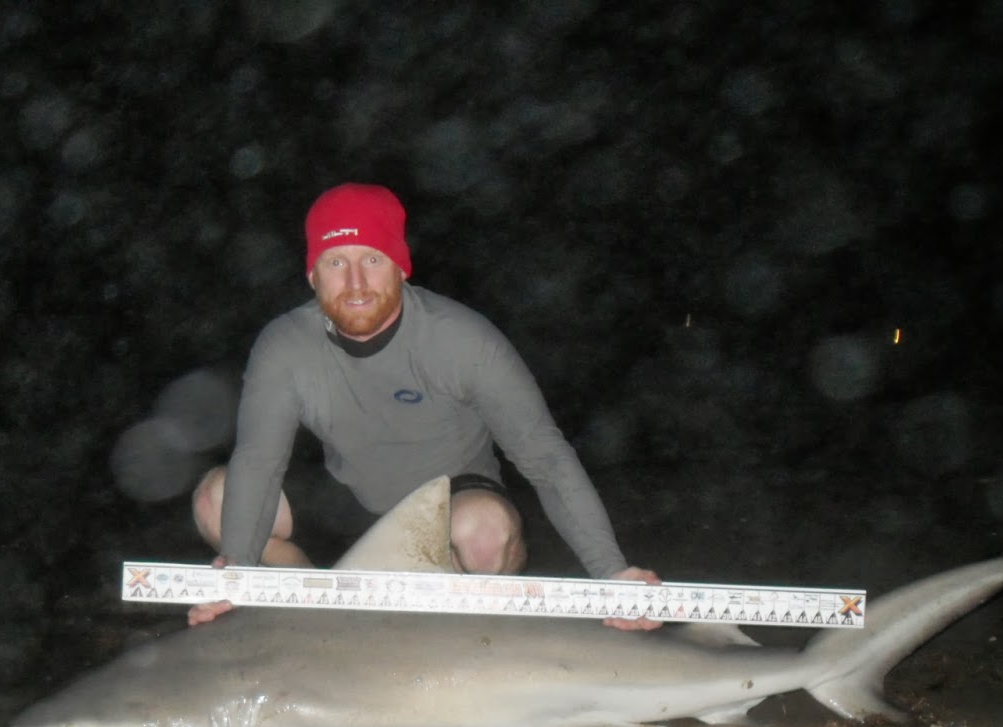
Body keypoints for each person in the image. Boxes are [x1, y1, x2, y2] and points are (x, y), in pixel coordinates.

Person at [190, 182, 660, 631]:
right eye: (336, 262)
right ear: (312, 275)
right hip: (347, 502)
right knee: (217, 498)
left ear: (401, 266)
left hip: (451, 507)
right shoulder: (284, 347)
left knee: (484, 532)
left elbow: (546, 458)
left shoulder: (462, 341)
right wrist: (237, 570)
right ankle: (313, 620)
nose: (355, 282)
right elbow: (259, 460)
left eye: (372, 259)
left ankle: (456, 639)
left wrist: (610, 573)